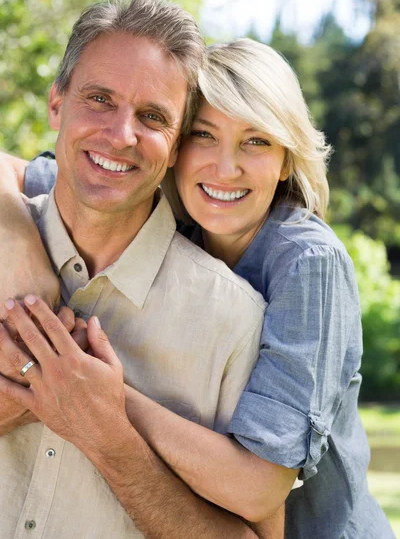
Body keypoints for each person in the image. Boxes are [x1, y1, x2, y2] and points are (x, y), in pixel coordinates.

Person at [1, 37, 394, 538]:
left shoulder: (308, 263)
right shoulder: (175, 216)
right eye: (205, 136)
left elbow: (258, 487)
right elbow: (17, 168)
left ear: (287, 160)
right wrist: (18, 236)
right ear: (176, 151)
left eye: (256, 141)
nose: (224, 167)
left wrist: (95, 391)